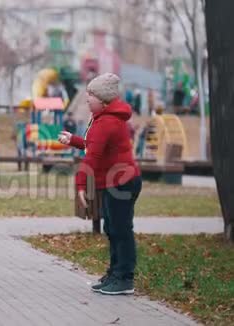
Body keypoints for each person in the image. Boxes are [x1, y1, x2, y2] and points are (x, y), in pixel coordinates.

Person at [58, 73, 141, 295]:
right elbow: (93, 146)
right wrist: (74, 140)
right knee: (112, 228)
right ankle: (115, 273)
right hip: (113, 182)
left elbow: (92, 158)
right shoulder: (103, 118)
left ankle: (125, 278)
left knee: (121, 230)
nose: (87, 98)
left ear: (103, 99)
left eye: (91, 94)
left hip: (122, 183)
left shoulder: (107, 122)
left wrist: (81, 186)